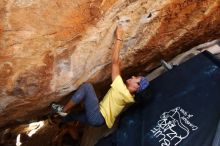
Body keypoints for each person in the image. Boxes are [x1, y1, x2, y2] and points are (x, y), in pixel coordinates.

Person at [51, 26, 149, 129]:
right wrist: (118, 66)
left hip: (97, 117)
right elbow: (118, 70)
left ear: (136, 87)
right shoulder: (130, 96)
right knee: (75, 114)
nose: (133, 76)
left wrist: (119, 37)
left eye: (136, 78)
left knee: (87, 87)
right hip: (100, 120)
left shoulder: (121, 90)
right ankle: (57, 119)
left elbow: (114, 63)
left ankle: (62, 111)